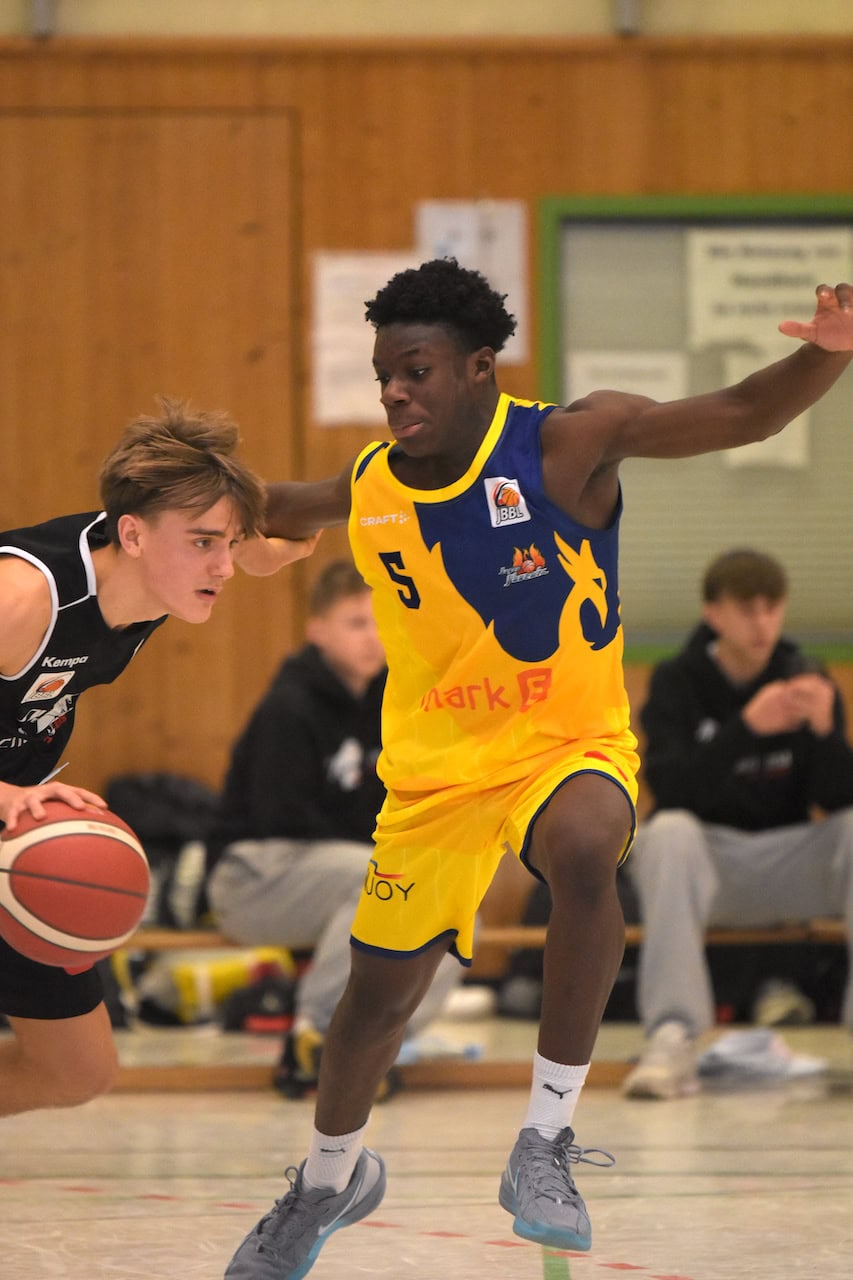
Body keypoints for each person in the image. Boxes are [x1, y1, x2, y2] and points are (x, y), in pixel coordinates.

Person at [222, 260, 853, 1280]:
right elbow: (278, 503)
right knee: (369, 1009)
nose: (394, 392)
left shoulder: (568, 442)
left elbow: (740, 412)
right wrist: (187, 501)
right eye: (384, 374)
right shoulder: (373, 482)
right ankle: (330, 1179)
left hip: (568, 745)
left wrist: (820, 358)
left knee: (587, 846)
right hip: (432, 781)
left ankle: (544, 1141)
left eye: (416, 370)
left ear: (479, 368)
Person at [0, 397, 316, 1119]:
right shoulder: (20, 596)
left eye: (228, 544)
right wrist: (7, 796)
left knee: (76, 1071)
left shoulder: (164, 575)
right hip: (7, 805)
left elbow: (275, 537)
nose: (224, 567)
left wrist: (371, 493)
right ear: (134, 535)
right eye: (204, 543)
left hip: (16, 821)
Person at [205, 557, 464, 1097]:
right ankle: (318, 1038)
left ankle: (371, 1044)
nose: (373, 637)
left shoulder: (395, 706)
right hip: (253, 876)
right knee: (375, 871)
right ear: (317, 630)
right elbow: (283, 816)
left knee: (455, 896)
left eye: (382, 622)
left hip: (342, 871)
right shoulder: (289, 705)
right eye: (356, 622)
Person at [622, 547, 853, 1100]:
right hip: (710, 866)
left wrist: (825, 734)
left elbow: (835, 797)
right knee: (667, 832)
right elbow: (669, 786)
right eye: (747, 610)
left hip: (789, 862)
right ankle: (674, 1036)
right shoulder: (677, 681)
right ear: (714, 614)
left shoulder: (807, 675)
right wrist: (744, 730)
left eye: (772, 609)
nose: (762, 623)